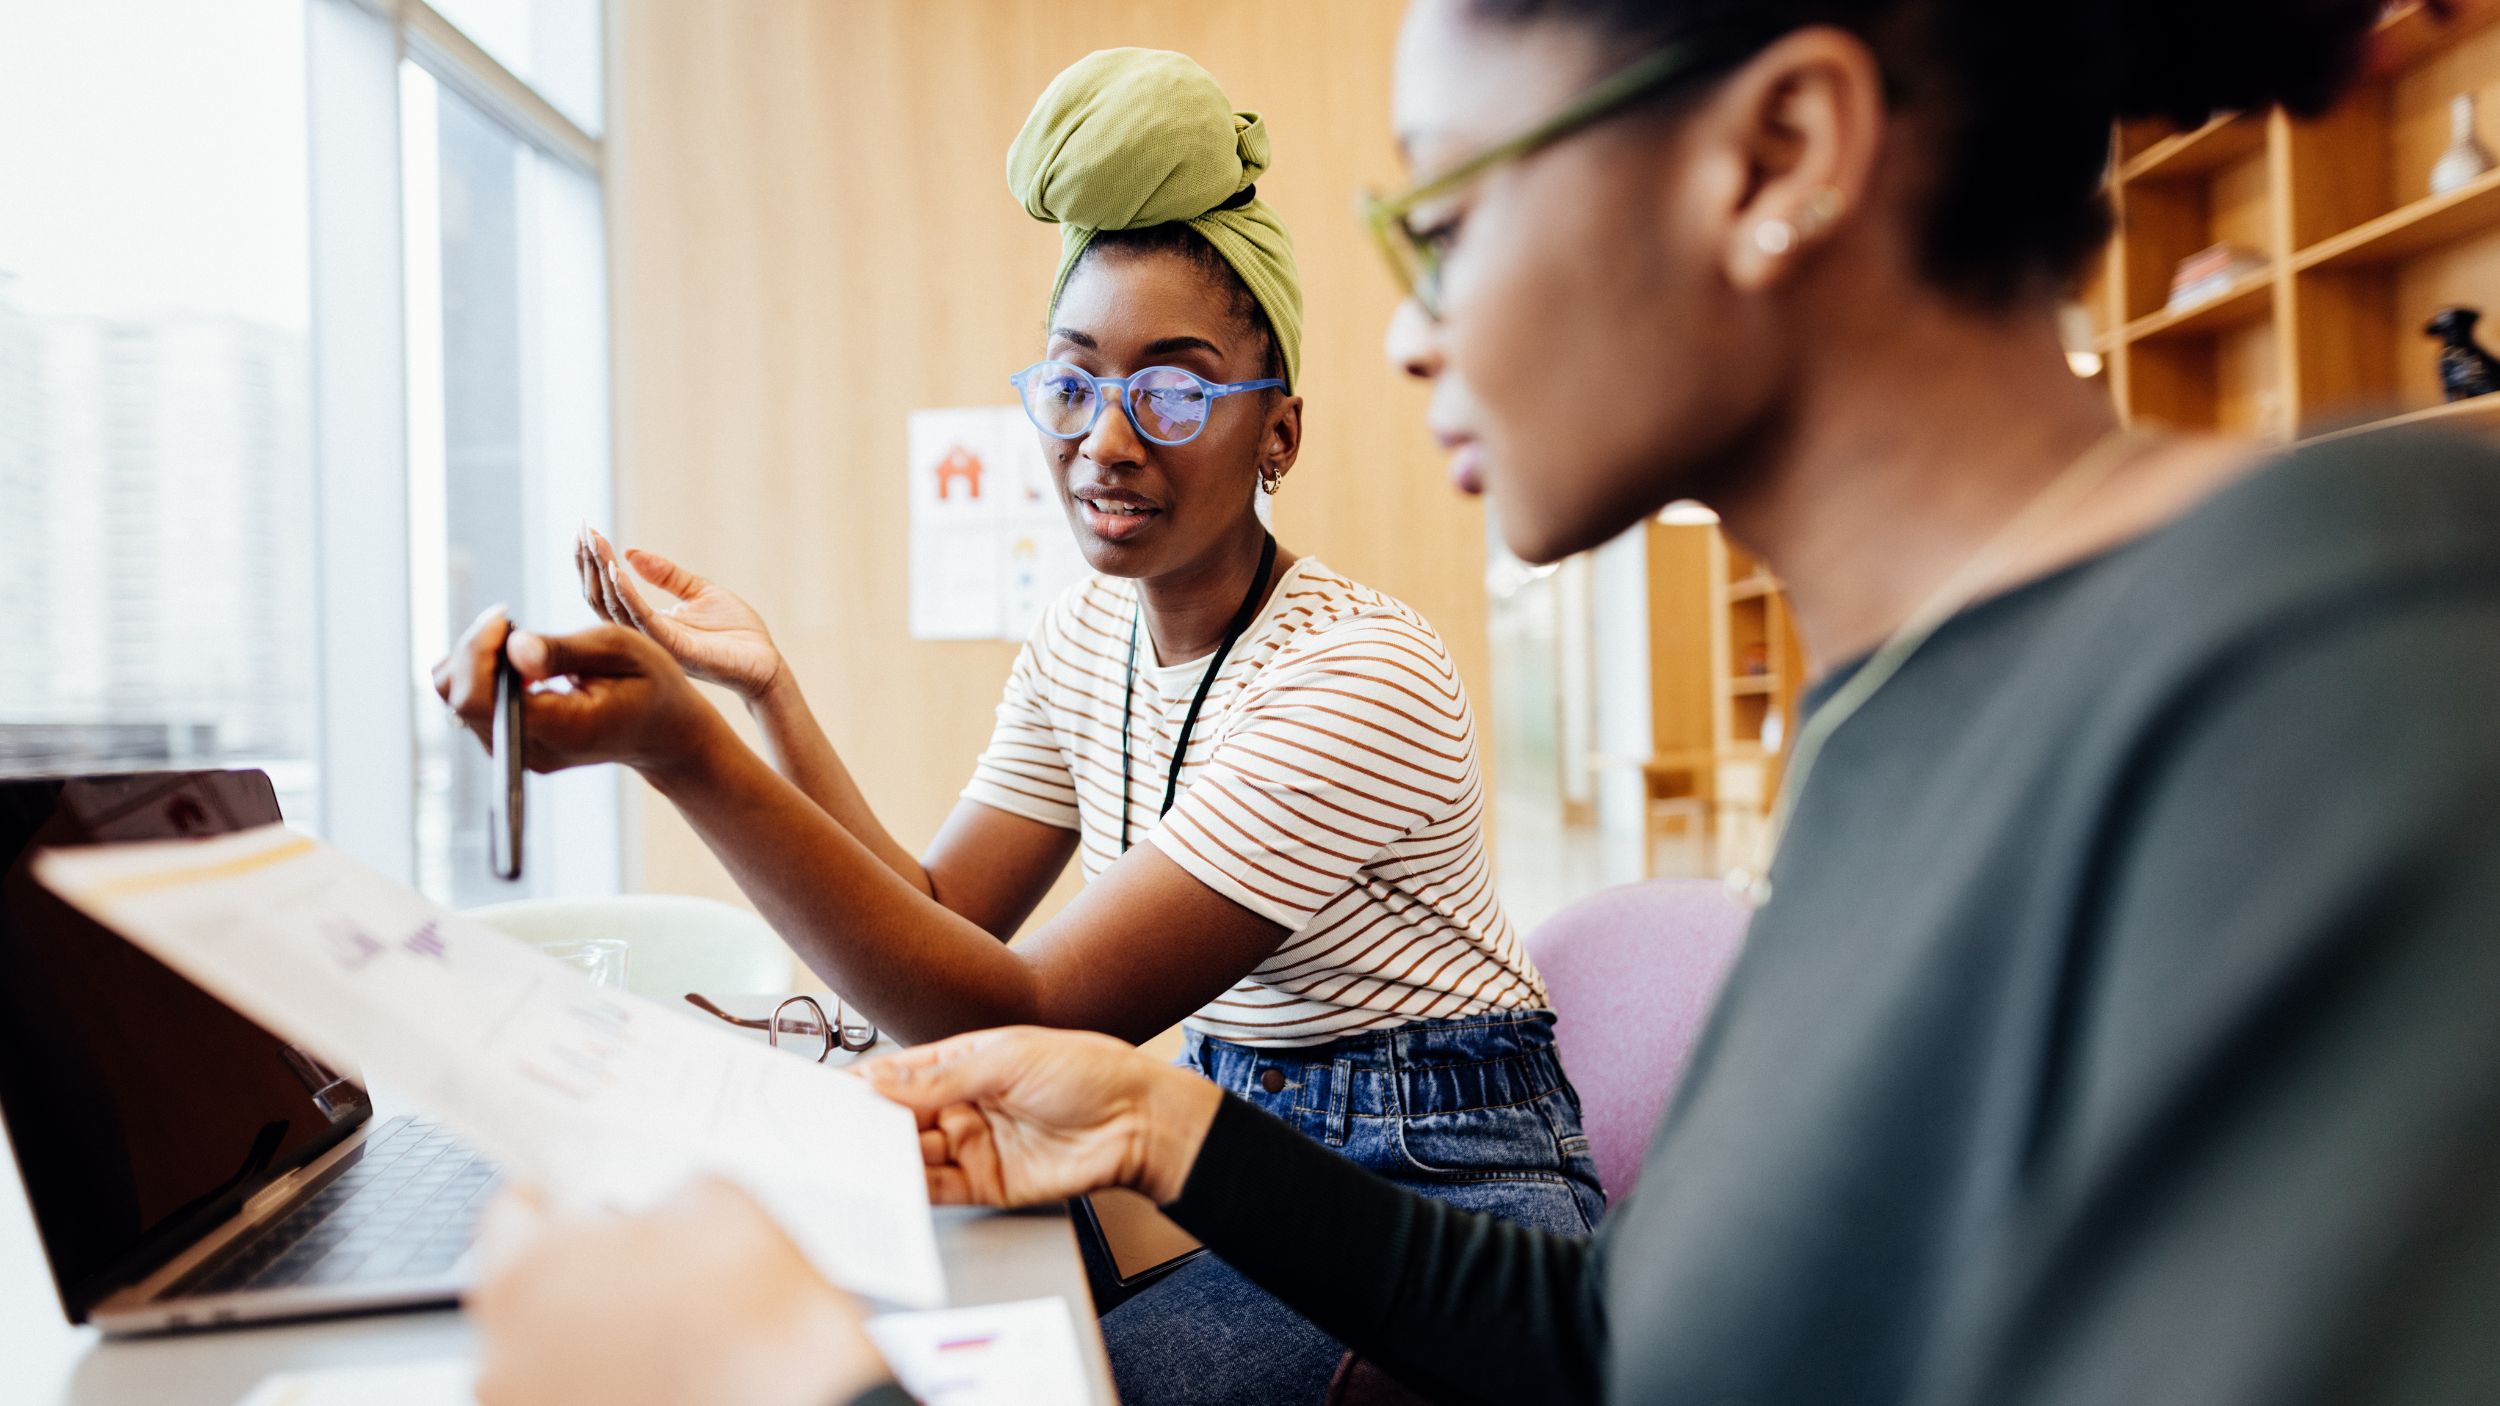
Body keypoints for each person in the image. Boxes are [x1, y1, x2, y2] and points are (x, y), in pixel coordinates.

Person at [472, 0, 2500, 1402]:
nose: (1397, 325)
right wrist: (1177, 1116)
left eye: (1438, 213)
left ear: (1776, 155)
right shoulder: (1908, 717)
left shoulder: (2323, 679)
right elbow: (1640, 1354)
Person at [435, 46, 1602, 1404]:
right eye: (1071, 381)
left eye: (1173, 389)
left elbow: (1024, 1004)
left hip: (1447, 1198)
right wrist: (767, 697)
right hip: (1230, 1149)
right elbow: (943, 916)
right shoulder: (1081, 636)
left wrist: (680, 752)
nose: (1107, 438)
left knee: (998, 1374)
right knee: (906, 1294)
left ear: (1277, 432)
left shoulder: (1357, 675)